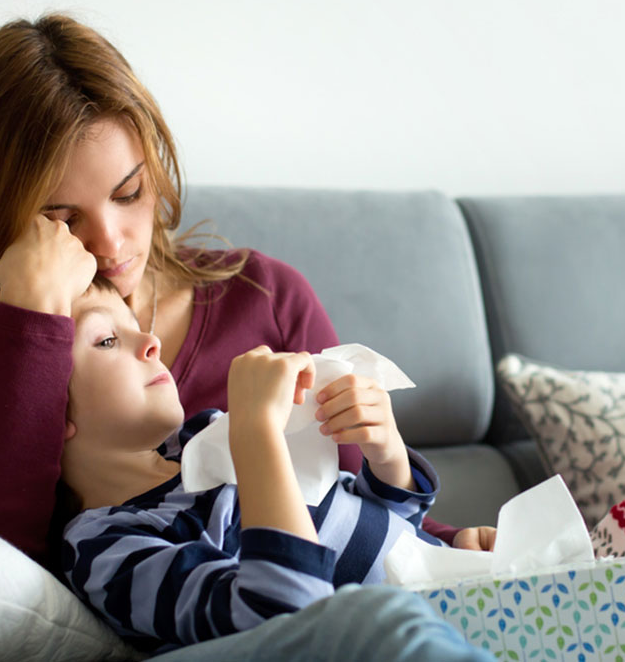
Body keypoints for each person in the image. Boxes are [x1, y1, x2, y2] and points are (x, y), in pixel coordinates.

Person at [0, 11, 493, 574]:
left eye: (128, 193)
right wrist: (30, 314)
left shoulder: (266, 296)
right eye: (62, 217)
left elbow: (344, 507)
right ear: (0, 214)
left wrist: (447, 544)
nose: (110, 242)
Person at [58, 278, 493, 657]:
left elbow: (373, 525)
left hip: (458, 600)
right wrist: (256, 431)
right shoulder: (103, 547)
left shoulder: (203, 438)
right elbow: (292, 618)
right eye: (106, 340)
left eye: (136, 325)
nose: (151, 340)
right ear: (49, 409)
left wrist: (387, 455)